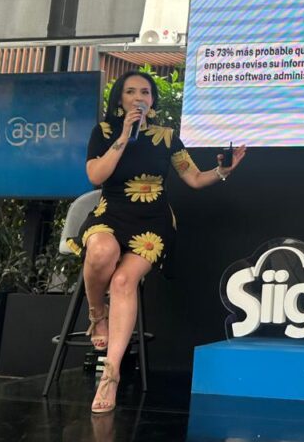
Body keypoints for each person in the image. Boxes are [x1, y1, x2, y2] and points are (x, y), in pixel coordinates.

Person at [66, 71, 246, 414]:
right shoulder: (104, 132)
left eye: (145, 92)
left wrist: (224, 170)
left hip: (153, 220)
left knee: (123, 280)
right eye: (131, 91)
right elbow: (95, 176)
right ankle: (97, 313)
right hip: (111, 212)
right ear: (120, 99)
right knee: (102, 250)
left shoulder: (167, 137)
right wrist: (124, 136)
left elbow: (194, 178)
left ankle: (111, 374)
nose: (139, 97)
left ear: (152, 100)